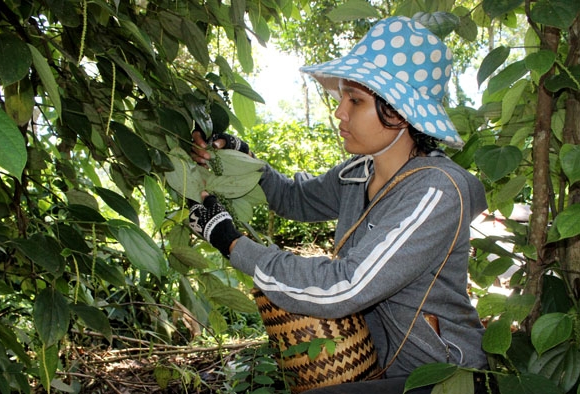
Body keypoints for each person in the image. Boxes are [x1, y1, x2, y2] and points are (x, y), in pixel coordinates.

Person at [189, 16, 489, 394]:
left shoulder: (436, 191)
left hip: (443, 378)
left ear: (396, 113)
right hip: (383, 368)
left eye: (355, 100)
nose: (340, 113)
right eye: (343, 97)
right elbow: (292, 198)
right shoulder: (359, 172)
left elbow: (344, 287)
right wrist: (243, 159)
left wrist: (230, 241)